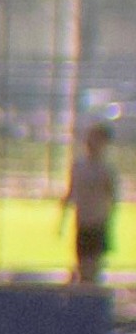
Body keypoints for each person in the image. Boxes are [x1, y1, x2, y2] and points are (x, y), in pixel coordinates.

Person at [68, 116, 117, 284]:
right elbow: (71, 192)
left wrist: (107, 220)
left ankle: (93, 297)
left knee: (94, 268)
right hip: (82, 222)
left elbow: (113, 197)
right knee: (82, 266)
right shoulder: (78, 166)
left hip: (97, 223)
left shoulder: (106, 170)